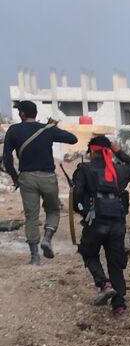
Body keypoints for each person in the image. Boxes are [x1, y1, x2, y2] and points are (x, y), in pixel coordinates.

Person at [72, 135, 130, 320]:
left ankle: (104, 285)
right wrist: (119, 152)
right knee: (115, 264)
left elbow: (77, 196)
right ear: (108, 151)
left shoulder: (84, 169)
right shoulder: (119, 170)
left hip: (95, 223)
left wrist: (81, 210)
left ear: (92, 152)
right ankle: (119, 308)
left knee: (88, 253)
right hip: (117, 224)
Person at [2, 100, 79, 264]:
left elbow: (7, 159)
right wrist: (53, 128)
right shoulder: (48, 130)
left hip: (27, 178)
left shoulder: (14, 130)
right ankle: (47, 238)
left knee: (31, 216)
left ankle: (34, 256)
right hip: (48, 178)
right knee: (53, 210)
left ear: (22, 114)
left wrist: (15, 178)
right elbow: (73, 139)